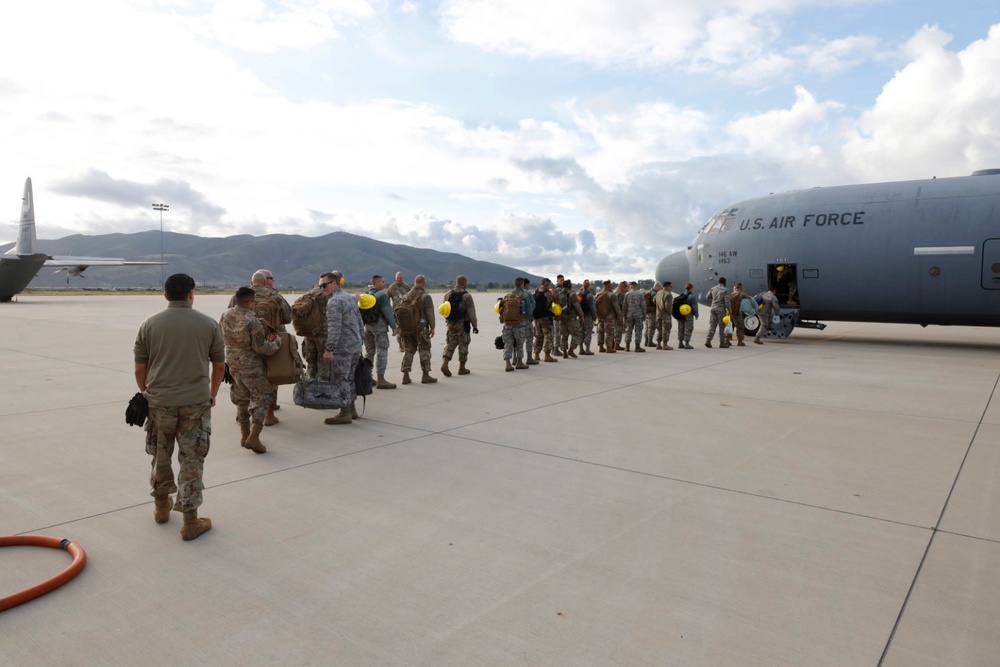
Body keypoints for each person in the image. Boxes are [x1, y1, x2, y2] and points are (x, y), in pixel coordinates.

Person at [133, 273, 224, 541]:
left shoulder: (149, 325)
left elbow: (140, 368)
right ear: (191, 294)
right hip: (195, 402)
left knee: (160, 455)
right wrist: (212, 394)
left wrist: (148, 394)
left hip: (160, 403)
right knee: (192, 460)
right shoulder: (209, 324)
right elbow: (219, 365)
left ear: (165, 296)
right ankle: (190, 522)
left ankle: (161, 508)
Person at [220, 286, 282, 454]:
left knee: (241, 399)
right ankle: (254, 437)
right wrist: (276, 343)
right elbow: (260, 347)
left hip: (233, 364)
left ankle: (244, 434)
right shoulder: (252, 321)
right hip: (251, 366)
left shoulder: (226, 315)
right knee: (262, 397)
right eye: (253, 302)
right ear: (249, 303)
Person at [229, 269, 291, 424]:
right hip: (271, 340)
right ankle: (269, 414)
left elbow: (231, 317)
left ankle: (244, 415)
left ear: (251, 282)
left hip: (245, 345)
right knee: (271, 376)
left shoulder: (239, 296)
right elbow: (288, 317)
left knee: (245, 381)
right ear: (265, 282)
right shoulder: (275, 295)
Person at [322, 271, 364, 424]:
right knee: (350, 378)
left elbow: (334, 328)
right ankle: (351, 409)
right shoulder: (349, 297)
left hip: (343, 348)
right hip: (354, 346)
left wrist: (329, 349)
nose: (322, 289)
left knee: (342, 380)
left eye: (324, 285)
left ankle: (344, 413)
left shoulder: (334, 302)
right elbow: (360, 322)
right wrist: (361, 341)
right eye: (320, 286)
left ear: (334, 284)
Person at [399, 274, 437, 384]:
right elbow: (430, 313)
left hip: (407, 329)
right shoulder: (425, 296)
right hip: (421, 328)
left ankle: (405, 375)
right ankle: (425, 375)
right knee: (424, 349)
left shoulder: (406, 296)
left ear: (414, 283)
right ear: (423, 284)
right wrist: (432, 327)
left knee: (408, 350)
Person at [363, 274, 399, 389]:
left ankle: (367, 377)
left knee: (370, 352)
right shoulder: (382, 295)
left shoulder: (367, 294)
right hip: (379, 327)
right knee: (382, 351)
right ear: (377, 283)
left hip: (368, 327)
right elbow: (387, 312)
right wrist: (394, 326)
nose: (384, 283)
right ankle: (381, 379)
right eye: (382, 282)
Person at [440, 275, 478, 376]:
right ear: (465, 283)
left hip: (451, 324)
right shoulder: (467, 296)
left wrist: (448, 321)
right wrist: (475, 326)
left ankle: (445, 364)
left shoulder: (448, 294)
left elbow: (444, 309)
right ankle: (462, 368)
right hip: (462, 324)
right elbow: (471, 313)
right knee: (463, 345)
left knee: (450, 344)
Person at [297, 274, 331, 381]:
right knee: (323, 363)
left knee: (311, 363)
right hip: (322, 333)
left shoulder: (309, 293)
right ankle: (322, 389)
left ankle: (309, 386)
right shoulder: (326, 295)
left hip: (309, 333)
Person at [501, 278, 527, 371]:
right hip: (519, 323)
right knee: (519, 343)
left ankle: (508, 363)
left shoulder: (507, 295)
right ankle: (519, 362)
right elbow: (529, 310)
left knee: (508, 343)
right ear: (522, 285)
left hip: (507, 323)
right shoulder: (525, 295)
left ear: (514, 284)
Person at [532, 279, 559, 362]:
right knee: (549, 335)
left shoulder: (536, 292)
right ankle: (547, 355)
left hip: (537, 318)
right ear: (547, 285)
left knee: (539, 336)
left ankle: (536, 354)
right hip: (546, 318)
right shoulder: (548, 294)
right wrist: (555, 292)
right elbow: (558, 300)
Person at [558, 279, 584, 358]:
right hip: (571, 317)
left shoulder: (559, 294)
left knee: (564, 335)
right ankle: (571, 350)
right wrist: (581, 315)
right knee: (576, 334)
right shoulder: (572, 295)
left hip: (562, 318)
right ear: (570, 286)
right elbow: (577, 306)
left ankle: (564, 352)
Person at [596, 279, 621, 353]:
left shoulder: (599, 294)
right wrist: (619, 315)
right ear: (609, 286)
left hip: (600, 316)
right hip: (609, 316)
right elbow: (616, 306)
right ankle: (609, 347)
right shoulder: (612, 295)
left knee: (601, 331)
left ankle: (601, 346)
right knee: (609, 331)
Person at [386, 272, 409, 353]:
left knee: (408, 329)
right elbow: (386, 299)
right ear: (395, 278)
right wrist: (390, 308)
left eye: (400, 277)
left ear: (403, 278)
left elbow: (411, 297)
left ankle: (408, 345)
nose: (399, 279)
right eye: (398, 277)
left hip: (407, 311)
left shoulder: (406, 287)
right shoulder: (391, 287)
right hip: (397, 312)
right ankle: (401, 345)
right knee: (399, 330)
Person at [705, 277, 730, 348]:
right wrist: (729, 310)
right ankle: (722, 343)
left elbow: (707, 297)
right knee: (722, 326)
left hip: (713, 308)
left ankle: (708, 340)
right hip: (721, 310)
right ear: (724, 282)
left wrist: (714, 299)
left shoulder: (713, 288)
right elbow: (727, 301)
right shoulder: (725, 290)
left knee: (712, 325)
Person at [623, 281, 646, 352]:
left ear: (631, 286)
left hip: (629, 315)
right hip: (638, 315)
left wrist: (624, 315)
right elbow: (643, 305)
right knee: (638, 330)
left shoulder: (627, 294)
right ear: (636, 286)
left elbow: (624, 306)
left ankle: (627, 346)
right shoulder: (640, 294)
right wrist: (644, 314)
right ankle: (637, 346)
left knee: (629, 330)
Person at [729, 282, 754, 347]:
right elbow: (749, 299)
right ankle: (740, 341)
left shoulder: (730, 294)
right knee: (740, 327)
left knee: (729, 326)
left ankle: (727, 340)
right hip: (737, 313)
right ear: (740, 288)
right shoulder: (742, 294)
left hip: (730, 313)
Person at [519, 278, 537, 365]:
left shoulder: (511, 293)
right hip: (526, 320)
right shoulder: (527, 293)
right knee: (529, 338)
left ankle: (516, 359)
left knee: (518, 340)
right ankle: (529, 357)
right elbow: (530, 309)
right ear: (525, 285)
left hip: (516, 320)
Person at [578, 279, 597, 355]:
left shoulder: (580, 295)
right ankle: (587, 349)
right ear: (589, 286)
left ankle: (581, 349)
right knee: (588, 332)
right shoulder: (589, 295)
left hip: (580, 316)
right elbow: (592, 307)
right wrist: (594, 317)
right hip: (588, 316)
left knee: (581, 332)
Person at [678, 282, 698, 349]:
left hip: (680, 313)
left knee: (681, 328)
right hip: (688, 314)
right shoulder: (692, 296)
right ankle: (687, 343)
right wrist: (696, 314)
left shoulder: (681, 295)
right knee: (688, 328)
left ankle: (680, 343)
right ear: (691, 288)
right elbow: (694, 306)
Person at [654, 281, 674, 350]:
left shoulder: (658, 293)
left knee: (659, 329)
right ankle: (665, 345)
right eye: (670, 286)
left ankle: (658, 344)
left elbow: (654, 300)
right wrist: (671, 313)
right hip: (665, 315)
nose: (671, 288)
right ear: (667, 287)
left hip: (658, 314)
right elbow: (668, 306)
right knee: (666, 329)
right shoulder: (668, 294)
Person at [644, 283, 659, 348]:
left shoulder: (649, 292)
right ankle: (650, 341)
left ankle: (646, 341)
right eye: (659, 287)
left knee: (647, 327)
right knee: (652, 327)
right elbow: (655, 302)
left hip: (647, 312)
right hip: (652, 312)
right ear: (656, 287)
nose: (660, 289)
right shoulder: (654, 293)